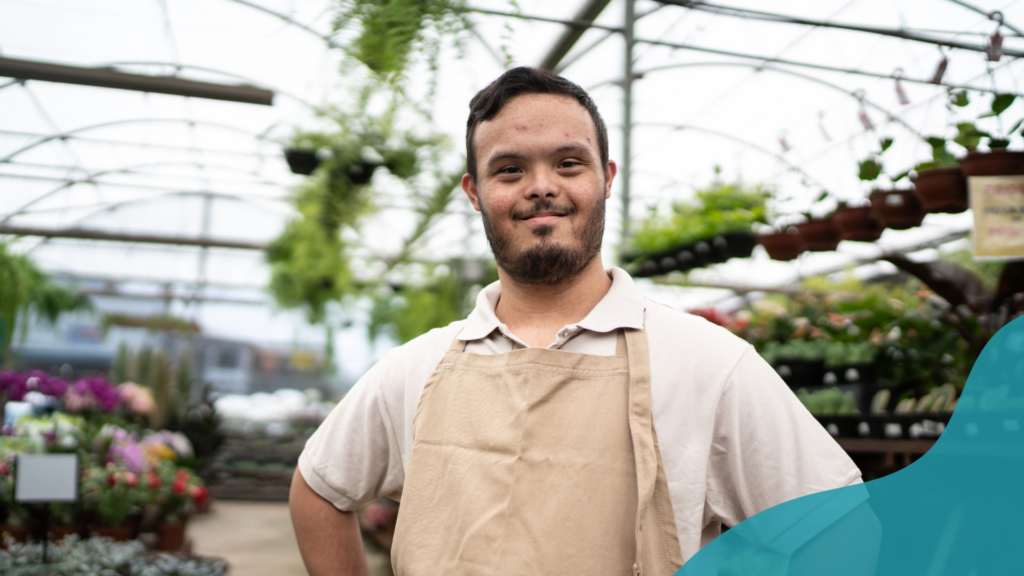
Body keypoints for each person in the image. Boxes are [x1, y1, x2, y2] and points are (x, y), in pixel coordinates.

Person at [290, 67, 863, 576]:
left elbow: (841, 531)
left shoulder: (708, 364)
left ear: (606, 178)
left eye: (568, 163)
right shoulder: (417, 367)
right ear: (474, 193)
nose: (542, 186)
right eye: (509, 169)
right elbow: (318, 488)